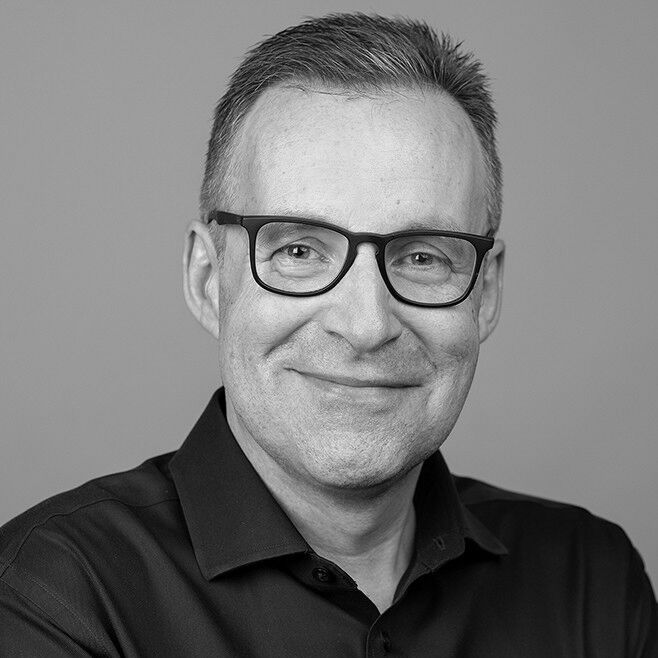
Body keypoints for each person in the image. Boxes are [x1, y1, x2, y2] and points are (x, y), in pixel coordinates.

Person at [1, 12, 656, 656]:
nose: (366, 326)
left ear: (484, 294)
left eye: (422, 257)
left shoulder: (591, 584)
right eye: (299, 251)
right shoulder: (54, 595)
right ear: (208, 279)